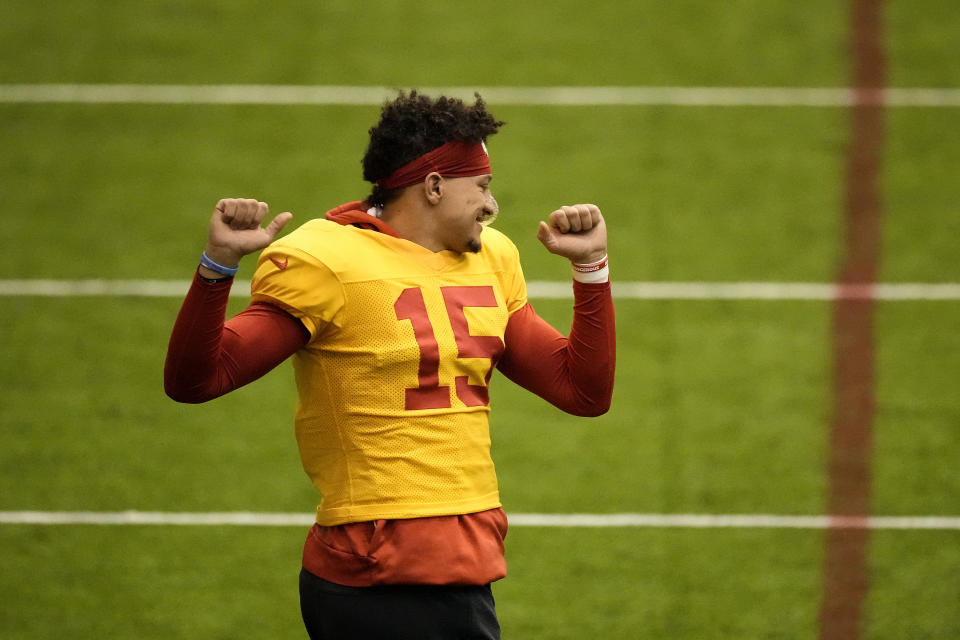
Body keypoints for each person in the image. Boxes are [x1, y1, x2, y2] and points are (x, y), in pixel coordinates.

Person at [164, 91, 615, 639]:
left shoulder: (493, 258)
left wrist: (591, 269)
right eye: (482, 186)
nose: (491, 205)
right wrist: (219, 266)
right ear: (432, 186)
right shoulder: (326, 259)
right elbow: (196, 380)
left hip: (462, 560)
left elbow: (582, 392)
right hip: (377, 567)